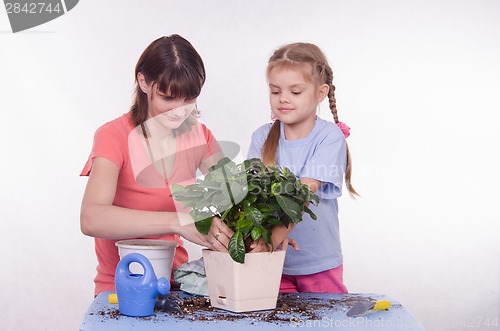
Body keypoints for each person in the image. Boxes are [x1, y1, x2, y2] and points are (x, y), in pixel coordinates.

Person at [80, 34, 232, 296]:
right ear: (143, 82)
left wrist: (271, 228)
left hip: (176, 288)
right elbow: (91, 218)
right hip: (120, 290)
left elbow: (235, 194)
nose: (179, 112)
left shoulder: (198, 136)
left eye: (189, 99)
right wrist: (178, 221)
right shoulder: (113, 137)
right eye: (168, 98)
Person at [247, 42, 358, 293]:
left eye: (295, 92)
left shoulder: (329, 137)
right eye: (275, 91)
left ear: (321, 93)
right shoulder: (261, 138)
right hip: (273, 264)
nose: (283, 98)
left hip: (319, 264)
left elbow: (304, 192)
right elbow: (252, 198)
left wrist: (271, 241)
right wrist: (263, 245)